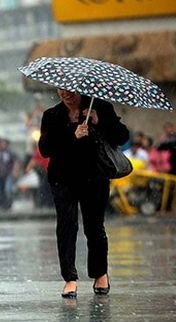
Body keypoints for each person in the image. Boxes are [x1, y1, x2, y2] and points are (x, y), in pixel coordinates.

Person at [39, 89, 129, 299]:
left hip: (94, 177)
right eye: (61, 89)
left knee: (95, 226)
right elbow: (45, 148)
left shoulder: (100, 108)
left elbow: (122, 136)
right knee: (66, 226)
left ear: (80, 88)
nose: (65, 94)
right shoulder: (52, 115)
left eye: (70, 89)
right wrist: (72, 135)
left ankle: (100, 274)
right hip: (63, 178)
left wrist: (100, 122)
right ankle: (70, 278)